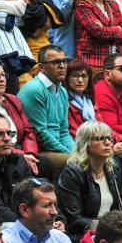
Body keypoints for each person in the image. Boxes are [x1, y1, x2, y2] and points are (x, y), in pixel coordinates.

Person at [56, 121, 122, 241]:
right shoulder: (73, 173)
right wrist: (107, 228)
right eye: (100, 139)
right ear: (86, 144)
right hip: (83, 236)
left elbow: (119, 207)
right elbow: (74, 219)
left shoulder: (113, 168)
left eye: (109, 138)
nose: (107, 143)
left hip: (110, 233)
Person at [18, 45, 75, 179]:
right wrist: (71, 155)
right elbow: (40, 135)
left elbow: (63, 131)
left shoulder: (62, 91)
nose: (62, 66)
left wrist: (76, 152)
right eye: (56, 62)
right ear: (41, 67)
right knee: (77, 164)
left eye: (64, 61)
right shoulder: (35, 89)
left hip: (55, 148)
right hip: (38, 150)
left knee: (96, 158)